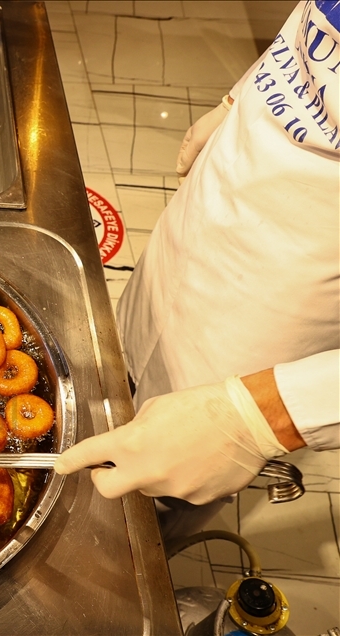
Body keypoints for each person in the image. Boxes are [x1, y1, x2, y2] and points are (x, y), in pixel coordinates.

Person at [55, 0, 339, 539]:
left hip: (288, 297)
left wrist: (261, 416)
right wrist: (245, 97)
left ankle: (148, 539)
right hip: (216, 201)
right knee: (126, 360)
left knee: (161, 491)